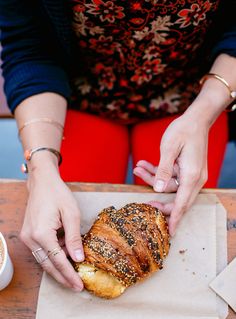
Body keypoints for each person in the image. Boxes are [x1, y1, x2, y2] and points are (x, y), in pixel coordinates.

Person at [0, 0, 235, 292]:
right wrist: (40, 167)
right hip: (76, 96)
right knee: (61, 221)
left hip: (195, 97)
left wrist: (204, 113)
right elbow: (29, 45)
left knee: (184, 215)